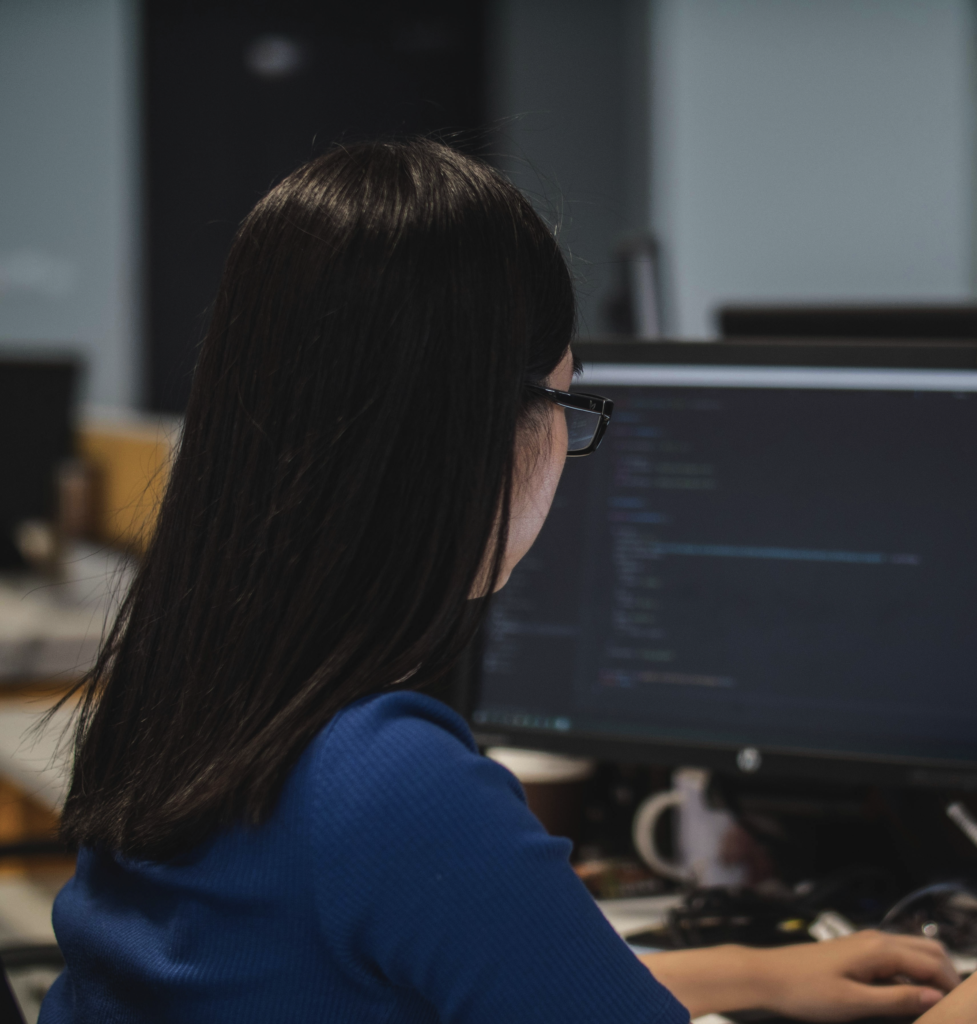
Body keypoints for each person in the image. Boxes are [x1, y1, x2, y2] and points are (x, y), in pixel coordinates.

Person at [40, 139, 975, 1023]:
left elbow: (479, 968)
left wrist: (748, 973)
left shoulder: (185, 701)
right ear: (475, 430)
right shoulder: (396, 788)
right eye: (566, 401)